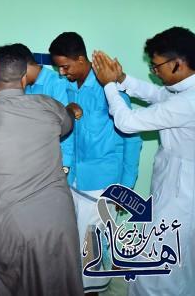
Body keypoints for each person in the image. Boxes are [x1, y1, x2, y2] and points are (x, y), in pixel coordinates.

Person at [0, 45, 83, 295]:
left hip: (10, 223)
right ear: (24, 77)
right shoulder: (48, 104)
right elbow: (67, 123)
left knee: (14, 284)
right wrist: (71, 109)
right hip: (56, 219)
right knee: (61, 283)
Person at [91, 26, 195, 296]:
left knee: (162, 261)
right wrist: (122, 78)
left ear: (177, 63)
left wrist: (109, 85)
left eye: (156, 66)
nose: (154, 71)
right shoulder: (183, 91)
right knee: (172, 257)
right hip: (174, 182)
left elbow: (127, 123)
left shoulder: (188, 102)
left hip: (183, 191)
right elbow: (157, 95)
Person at [49, 31, 142, 294]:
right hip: (74, 179)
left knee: (91, 242)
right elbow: (68, 137)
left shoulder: (109, 91)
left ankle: (92, 288)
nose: (62, 73)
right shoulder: (69, 88)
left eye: (66, 66)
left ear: (81, 59)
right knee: (75, 237)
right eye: (59, 68)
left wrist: (125, 187)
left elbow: (132, 140)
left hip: (102, 181)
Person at [11, 43, 76, 169]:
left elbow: (66, 124)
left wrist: (65, 164)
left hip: (56, 162)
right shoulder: (25, 86)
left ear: (25, 66)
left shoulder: (56, 83)